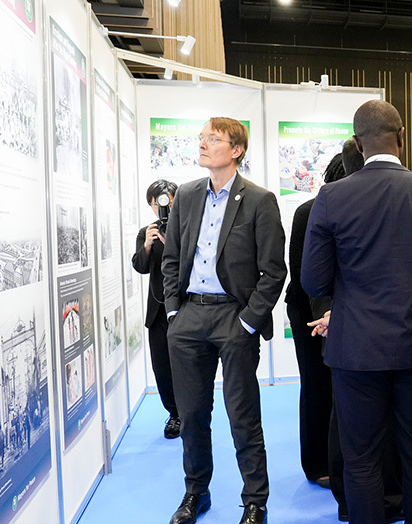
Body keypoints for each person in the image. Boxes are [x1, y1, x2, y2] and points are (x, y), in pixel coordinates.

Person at [302, 100, 412, 524]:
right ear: (402, 137)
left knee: (360, 459)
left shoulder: (332, 196)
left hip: (354, 350)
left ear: (357, 145)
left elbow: (314, 283)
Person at [162, 117, 286, 524]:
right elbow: (171, 258)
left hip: (234, 317)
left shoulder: (260, 200)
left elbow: (274, 271)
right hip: (189, 318)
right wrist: (174, 311)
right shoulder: (186, 195)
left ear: (236, 150)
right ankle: (195, 493)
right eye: (201, 138)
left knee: (242, 416)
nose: (203, 144)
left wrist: (248, 322)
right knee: (192, 415)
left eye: (212, 139)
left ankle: (255, 501)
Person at [285, 156, 343, 487]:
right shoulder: (307, 212)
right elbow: (300, 272)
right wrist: (324, 313)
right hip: (307, 309)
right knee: (316, 383)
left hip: (343, 309)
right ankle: (317, 463)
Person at [131, 179, 180, 439]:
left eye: (167, 201)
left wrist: (171, 238)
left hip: (184, 307)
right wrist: (148, 244)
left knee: (188, 364)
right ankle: (174, 413)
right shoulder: (146, 231)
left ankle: (191, 411)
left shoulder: (185, 227)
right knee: (161, 366)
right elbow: (140, 266)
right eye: (156, 203)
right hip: (158, 310)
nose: (161, 207)